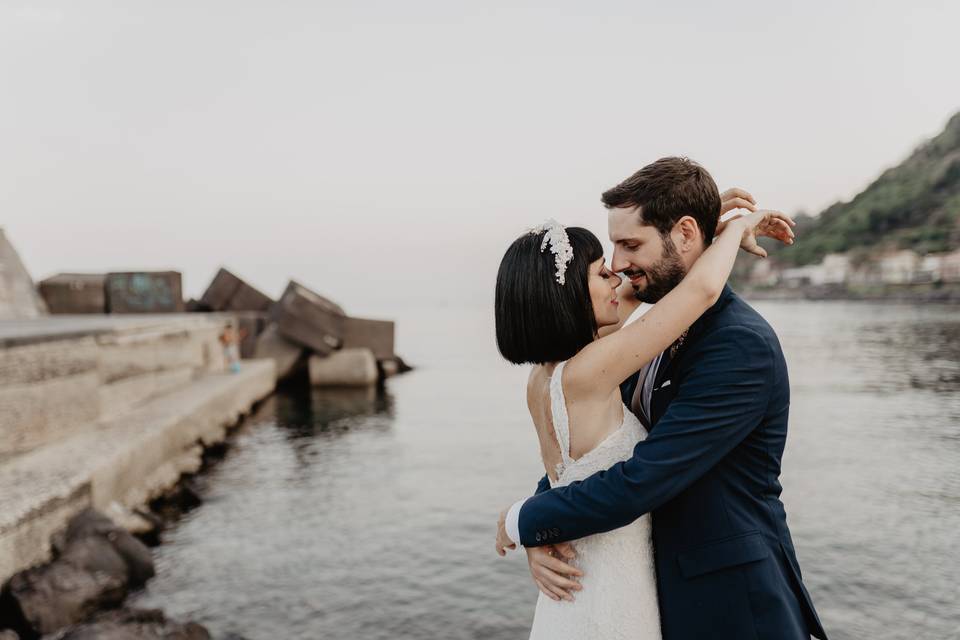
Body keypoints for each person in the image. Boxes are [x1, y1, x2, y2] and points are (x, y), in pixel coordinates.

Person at [494, 157, 827, 640]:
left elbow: (643, 478)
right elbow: (583, 457)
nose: (621, 267)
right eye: (608, 259)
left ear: (686, 235)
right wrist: (540, 530)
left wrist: (525, 521)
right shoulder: (625, 346)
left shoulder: (738, 344)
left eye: (629, 245)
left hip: (730, 607)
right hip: (638, 590)